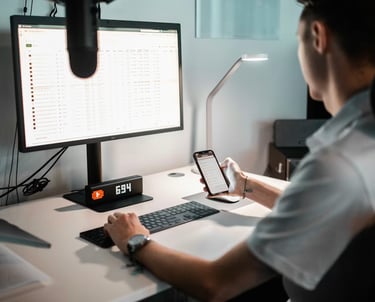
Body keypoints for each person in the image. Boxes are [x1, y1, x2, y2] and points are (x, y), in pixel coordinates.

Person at [104, 0, 375, 300]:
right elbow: (325, 207)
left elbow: (216, 283)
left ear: (317, 36)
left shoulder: (339, 162)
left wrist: (135, 240)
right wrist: (247, 186)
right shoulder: (361, 144)